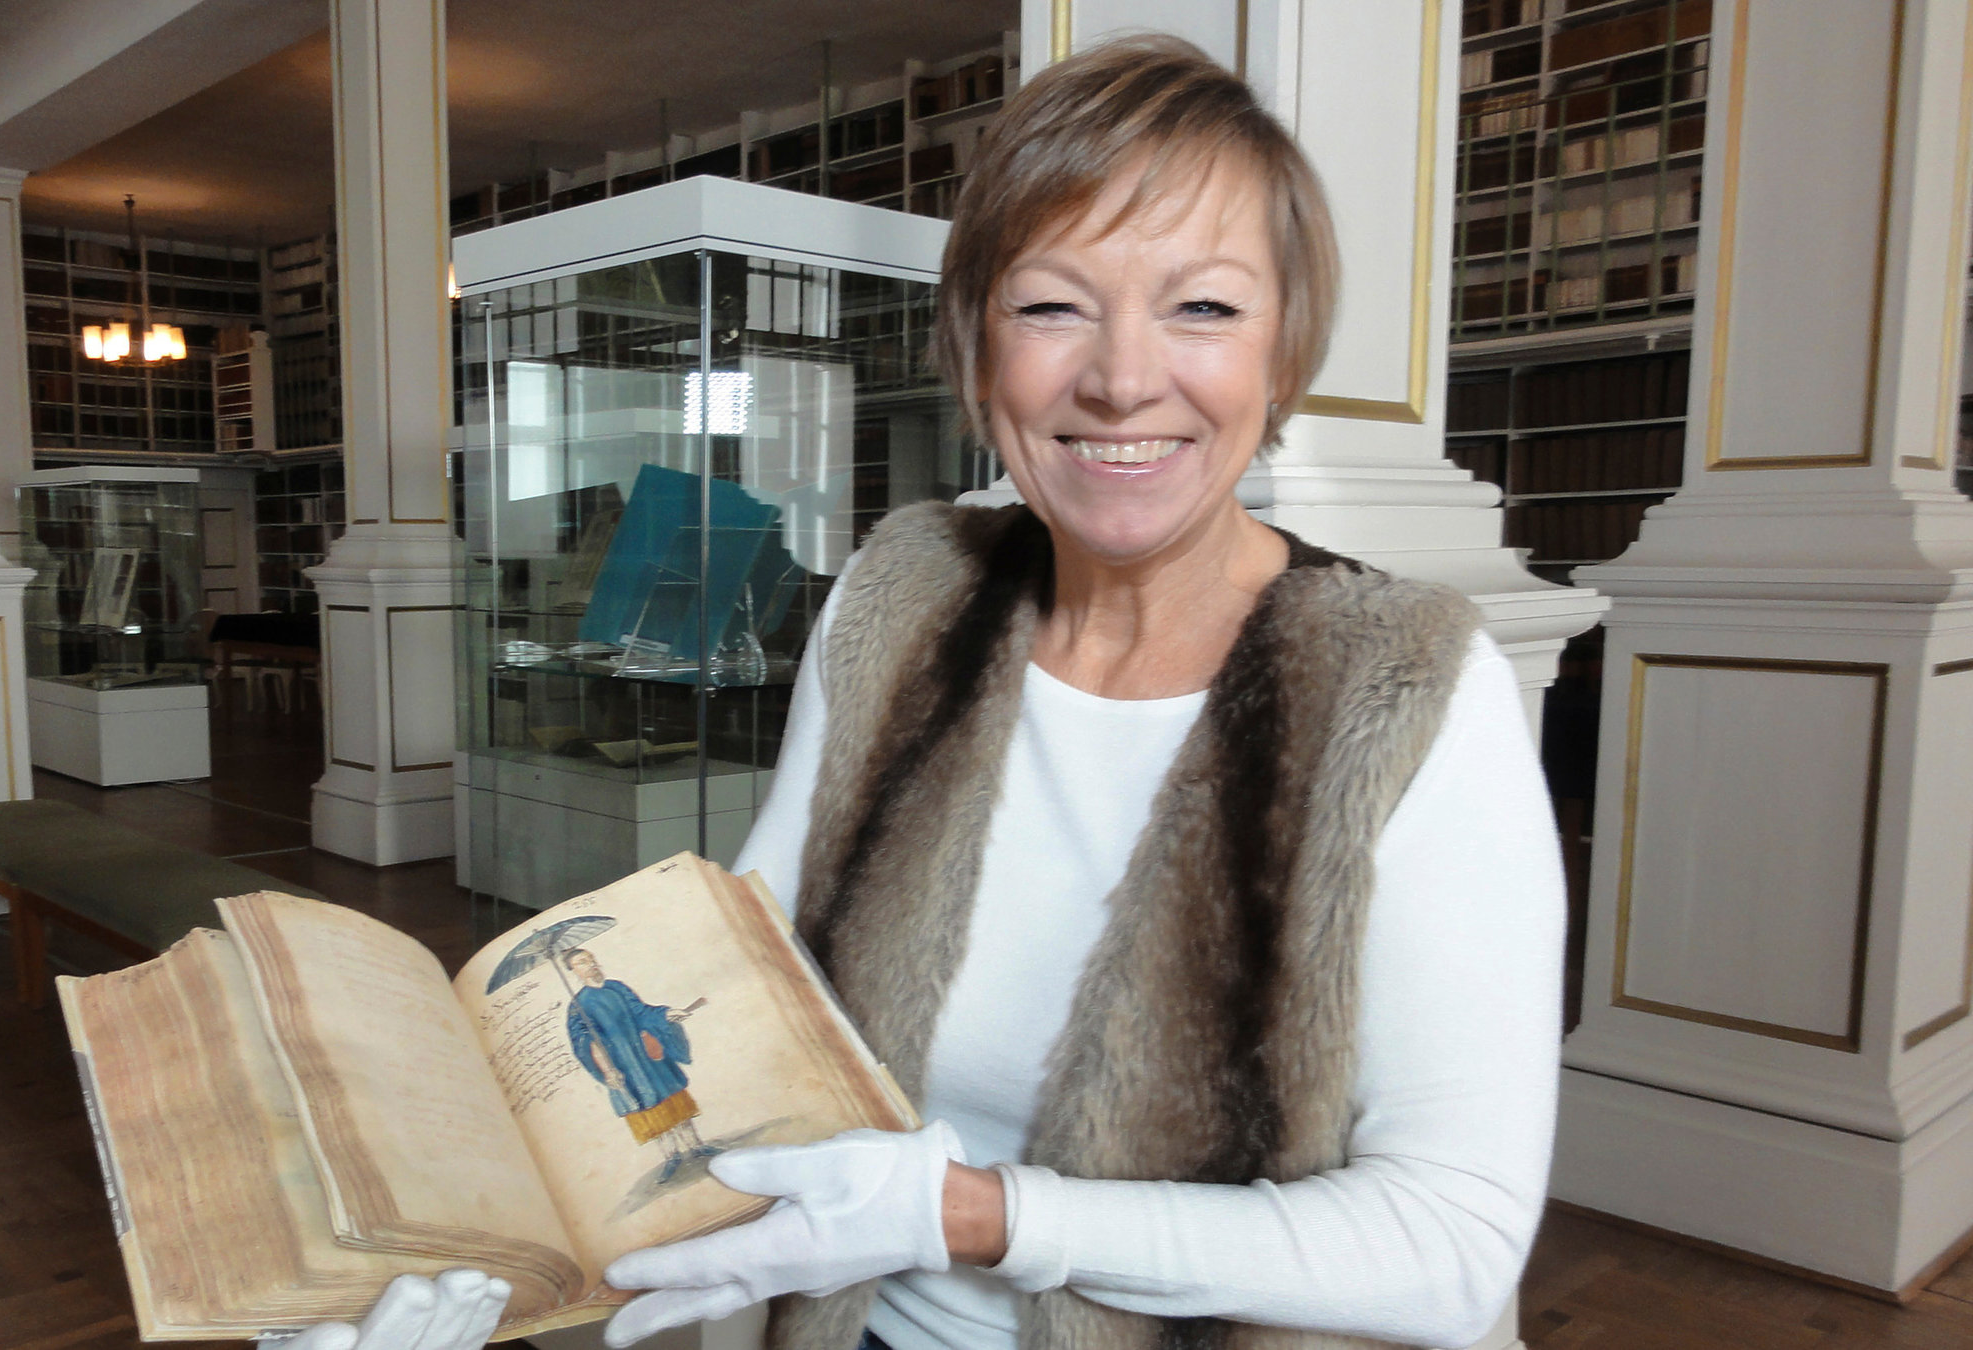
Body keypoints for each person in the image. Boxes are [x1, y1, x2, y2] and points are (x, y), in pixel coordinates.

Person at [282, 32, 1562, 1350]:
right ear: (974, 347)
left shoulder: (1407, 685)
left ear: (1281, 351)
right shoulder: (906, 598)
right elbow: (748, 985)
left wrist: (968, 1214)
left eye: (1205, 307)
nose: (1123, 376)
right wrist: (440, 1224)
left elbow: (1448, 1251)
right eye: (1054, 303)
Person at [563, 948, 710, 1180]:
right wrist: (605, 1067)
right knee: (648, 1105)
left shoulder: (617, 987)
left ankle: (696, 1146)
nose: (591, 964)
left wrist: (666, 1014)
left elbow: (641, 1012)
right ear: (573, 971)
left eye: (591, 959)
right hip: (623, 1064)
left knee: (671, 1095)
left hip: (645, 1051)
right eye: (582, 962)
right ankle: (672, 1156)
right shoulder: (578, 1005)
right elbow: (581, 1041)